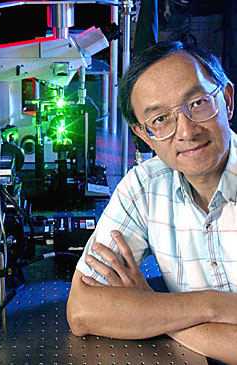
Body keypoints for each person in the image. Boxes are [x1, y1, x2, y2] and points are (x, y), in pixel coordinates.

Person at [66, 40, 237, 365]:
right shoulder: (144, 186)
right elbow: (82, 311)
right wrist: (216, 306)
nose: (186, 130)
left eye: (198, 103)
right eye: (160, 119)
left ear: (227, 100)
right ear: (143, 135)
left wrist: (151, 309)